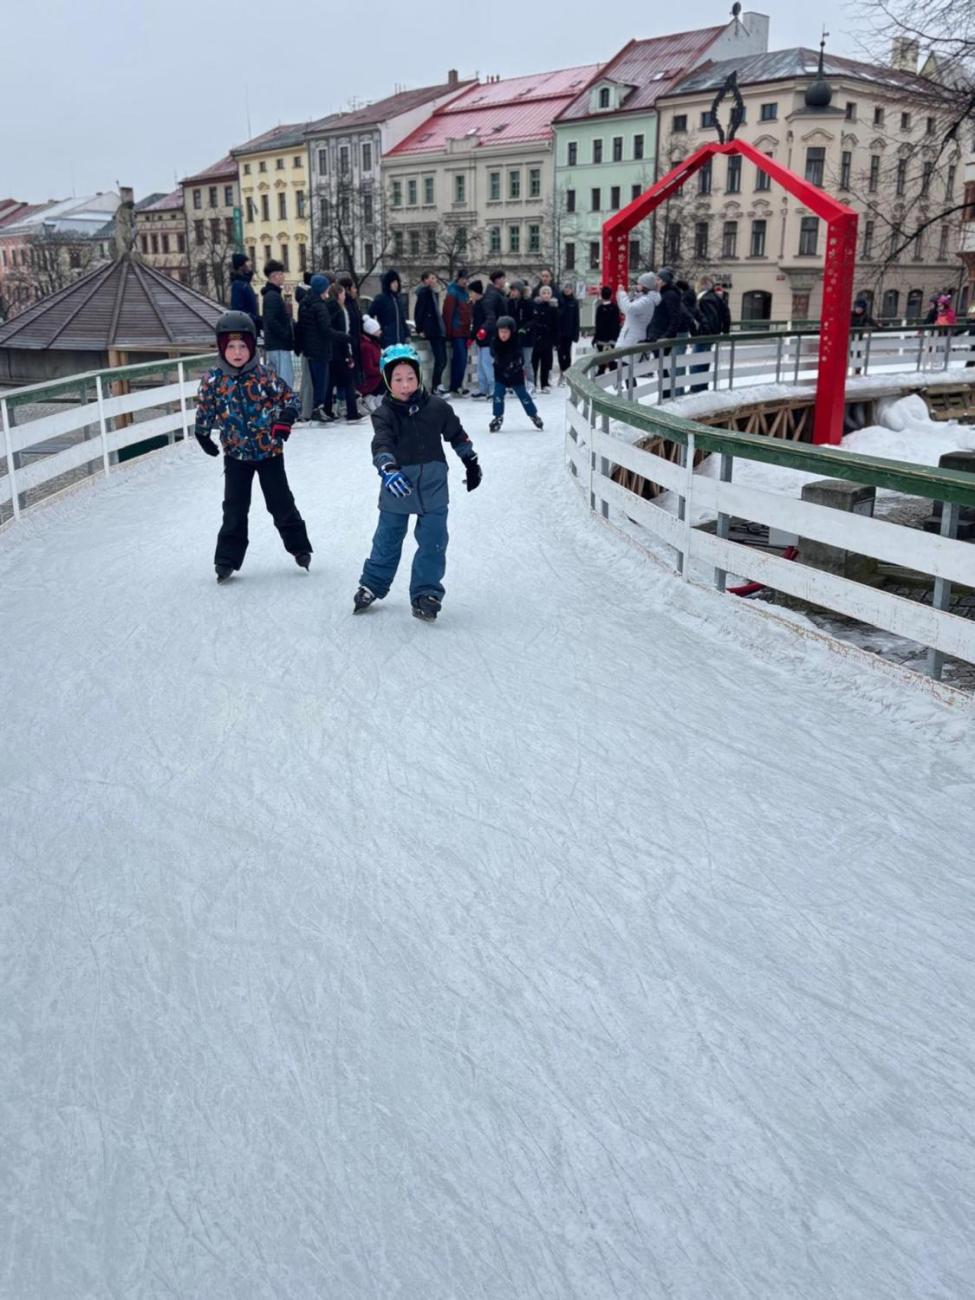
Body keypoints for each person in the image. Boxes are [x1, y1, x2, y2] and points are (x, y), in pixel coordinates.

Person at [353, 343, 482, 622]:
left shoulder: (437, 407)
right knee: (387, 539)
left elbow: (457, 434)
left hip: (434, 486)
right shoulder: (384, 414)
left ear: (419, 377)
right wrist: (388, 469)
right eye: (397, 379)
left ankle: (426, 592)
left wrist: (470, 461)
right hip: (398, 485)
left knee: (434, 541)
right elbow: (381, 443)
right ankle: (372, 584)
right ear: (388, 381)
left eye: (410, 377)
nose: (405, 384)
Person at [194, 311, 312, 583]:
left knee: (281, 503)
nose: (237, 352)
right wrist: (202, 434)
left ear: (252, 347)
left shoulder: (264, 375)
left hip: (269, 452)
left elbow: (290, 399)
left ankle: (299, 547)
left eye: (243, 346)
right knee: (234, 508)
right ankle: (226, 560)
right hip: (235, 455)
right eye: (231, 347)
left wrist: (284, 421)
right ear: (222, 348)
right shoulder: (212, 380)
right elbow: (205, 409)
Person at [298, 272, 341, 423]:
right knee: (321, 382)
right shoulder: (319, 306)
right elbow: (325, 329)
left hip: (310, 349)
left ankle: (317, 408)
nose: (328, 292)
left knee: (315, 381)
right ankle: (318, 409)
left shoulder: (306, 303)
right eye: (327, 289)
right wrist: (342, 336)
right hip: (320, 349)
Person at [489, 316, 544, 432]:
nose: (503, 335)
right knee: (497, 395)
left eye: (506, 332)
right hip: (500, 374)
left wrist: (515, 365)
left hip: (515, 375)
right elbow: (493, 355)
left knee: (523, 395)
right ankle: (498, 416)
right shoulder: (495, 342)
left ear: (511, 332)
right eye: (501, 332)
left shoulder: (516, 343)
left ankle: (533, 414)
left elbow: (520, 358)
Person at [326, 281, 364, 423]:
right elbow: (343, 332)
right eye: (342, 293)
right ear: (338, 295)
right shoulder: (340, 311)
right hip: (341, 350)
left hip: (333, 350)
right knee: (348, 381)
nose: (344, 296)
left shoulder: (330, 309)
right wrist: (348, 355)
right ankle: (352, 412)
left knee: (331, 382)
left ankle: (328, 409)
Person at [647, 268, 685, 399]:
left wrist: (666, 335)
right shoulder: (662, 293)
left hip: (663, 336)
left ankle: (666, 395)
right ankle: (665, 394)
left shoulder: (669, 295)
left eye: (658, 279)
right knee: (660, 366)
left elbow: (675, 318)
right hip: (658, 335)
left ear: (664, 281)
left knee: (661, 366)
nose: (656, 281)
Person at [260, 259, 294, 387]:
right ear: (274, 275)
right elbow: (271, 320)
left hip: (276, 344)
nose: (284, 276)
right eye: (281, 273)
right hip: (278, 345)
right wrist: (286, 334)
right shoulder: (273, 296)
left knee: (278, 379)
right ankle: (285, 405)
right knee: (284, 381)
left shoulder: (271, 295)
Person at [413, 270, 448, 394]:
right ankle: (435, 386)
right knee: (440, 359)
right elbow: (419, 312)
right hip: (433, 331)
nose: (434, 280)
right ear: (425, 280)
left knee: (443, 359)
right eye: (432, 278)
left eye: (435, 278)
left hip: (438, 330)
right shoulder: (424, 294)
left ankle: (438, 384)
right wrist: (420, 329)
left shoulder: (434, 293)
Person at [442, 269, 472, 396]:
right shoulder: (453, 294)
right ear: (458, 279)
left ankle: (458, 384)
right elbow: (448, 314)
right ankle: (455, 385)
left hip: (464, 331)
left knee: (462, 359)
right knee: (460, 359)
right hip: (456, 331)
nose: (465, 281)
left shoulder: (464, 293)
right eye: (463, 279)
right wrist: (448, 332)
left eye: (467, 279)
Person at [616, 273, 659, 350]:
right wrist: (620, 297)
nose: (637, 286)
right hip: (630, 336)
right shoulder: (644, 299)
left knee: (625, 361)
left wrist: (622, 294)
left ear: (645, 286)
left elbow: (629, 309)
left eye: (639, 284)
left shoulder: (646, 301)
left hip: (632, 338)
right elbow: (625, 310)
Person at [368, 268, 410, 347]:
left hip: (400, 340)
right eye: (393, 282)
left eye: (397, 282)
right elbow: (369, 315)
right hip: (387, 341)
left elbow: (402, 319)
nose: (396, 284)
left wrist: (407, 334)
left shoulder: (398, 299)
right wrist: (377, 331)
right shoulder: (380, 299)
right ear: (388, 284)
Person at [531, 285, 559, 392]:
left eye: (548, 293)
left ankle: (544, 383)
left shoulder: (553, 308)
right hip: (536, 338)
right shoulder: (535, 306)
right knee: (534, 362)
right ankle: (533, 383)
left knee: (546, 362)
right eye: (544, 293)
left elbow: (556, 325)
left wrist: (556, 341)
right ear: (540, 294)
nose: (546, 295)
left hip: (548, 339)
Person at [469, 279, 492, 399]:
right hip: (480, 340)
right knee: (480, 366)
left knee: (487, 364)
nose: (470, 295)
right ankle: (483, 389)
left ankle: (493, 390)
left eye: (471, 292)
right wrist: (472, 337)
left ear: (477, 292)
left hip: (488, 340)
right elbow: (476, 324)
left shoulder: (485, 303)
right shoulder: (476, 305)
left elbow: (491, 318)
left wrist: (483, 330)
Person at [229, 253, 261, 335]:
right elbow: (238, 311)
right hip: (245, 329)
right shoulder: (239, 285)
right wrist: (257, 320)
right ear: (241, 266)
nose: (250, 263)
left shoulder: (245, 283)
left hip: (250, 327)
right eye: (247, 262)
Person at [593, 285, 621, 375]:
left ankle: (598, 382)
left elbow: (598, 325)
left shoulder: (600, 309)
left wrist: (595, 338)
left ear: (601, 295)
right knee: (612, 362)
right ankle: (616, 383)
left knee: (601, 363)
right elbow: (617, 324)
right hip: (612, 339)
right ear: (611, 295)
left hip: (601, 339)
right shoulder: (615, 308)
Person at [556, 282, 580, 384]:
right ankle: (562, 372)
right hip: (559, 331)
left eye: (569, 288)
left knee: (567, 353)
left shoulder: (574, 302)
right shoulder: (559, 299)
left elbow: (576, 318)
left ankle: (567, 373)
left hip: (569, 332)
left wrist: (576, 333)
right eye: (566, 288)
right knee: (560, 353)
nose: (567, 290)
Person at [358, 316, 384, 410]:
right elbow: (368, 368)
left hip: (376, 375)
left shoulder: (374, 343)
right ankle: (370, 397)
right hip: (370, 379)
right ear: (372, 332)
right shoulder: (367, 347)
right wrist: (382, 370)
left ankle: (377, 399)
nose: (380, 332)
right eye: (378, 330)